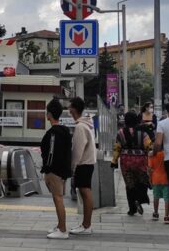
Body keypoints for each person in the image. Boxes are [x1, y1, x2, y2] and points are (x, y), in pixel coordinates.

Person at [41, 99, 73, 239]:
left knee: (58, 198)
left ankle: (62, 229)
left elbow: (50, 154)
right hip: (63, 170)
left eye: (46, 112)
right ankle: (60, 225)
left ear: (49, 114)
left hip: (54, 170)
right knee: (57, 198)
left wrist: (47, 169)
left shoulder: (53, 133)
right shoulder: (65, 130)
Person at [111, 111, 151, 216]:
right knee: (142, 182)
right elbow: (148, 147)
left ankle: (132, 208)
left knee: (129, 184)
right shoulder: (143, 133)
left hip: (125, 161)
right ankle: (139, 198)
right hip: (140, 161)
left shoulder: (120, 132)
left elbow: (117, 148)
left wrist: (114, 161)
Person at [69, 97, 96, 235]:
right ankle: (86, 224)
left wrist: (72, 167)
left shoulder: (80, 127)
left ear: (74, 108)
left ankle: (86, 225)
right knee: (85, 192)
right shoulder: (87, 124)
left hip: (83, 163)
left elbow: (78, 150)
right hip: (89, 162)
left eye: (70, 106)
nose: (68, 109)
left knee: (85, 192)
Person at [148, 149, 169, 224]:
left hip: (155, 179)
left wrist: (150, 179)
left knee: (156, 197)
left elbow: (150, 168)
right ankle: (166, 216)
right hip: (166, 179)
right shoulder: (167, 153)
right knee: (167, 199)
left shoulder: (152, 155)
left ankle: (155, 213)